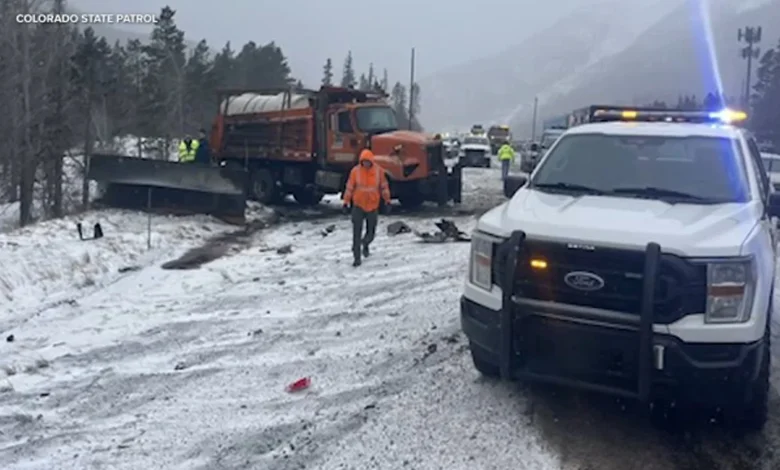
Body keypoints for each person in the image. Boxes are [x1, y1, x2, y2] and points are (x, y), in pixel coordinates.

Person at [342, 149, 391, 267]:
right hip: (358, 206)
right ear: (361, 161)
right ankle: (356, 257)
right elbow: (349, 188)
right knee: (356, 233)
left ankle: (366, 243)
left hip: (373, 206)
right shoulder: (355, 171)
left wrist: (387, 201)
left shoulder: (379, 172)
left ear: (371, 161)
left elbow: (384, 187)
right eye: (364, 162)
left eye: (368, 162)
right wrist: (345, 202)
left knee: (371, 232)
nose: (366, 164)